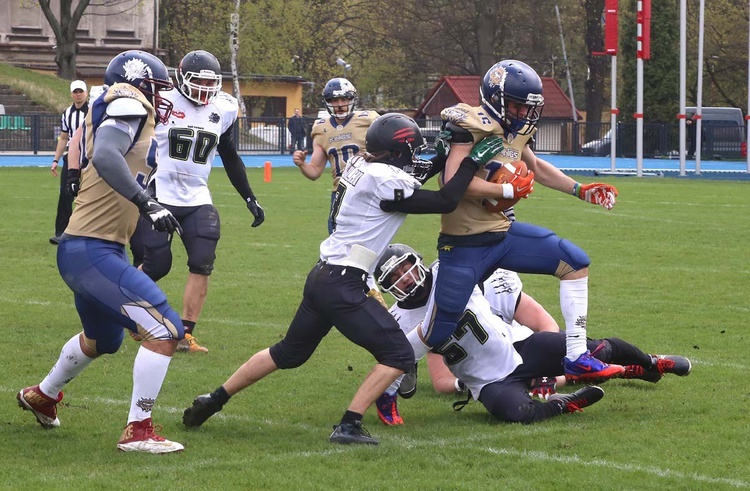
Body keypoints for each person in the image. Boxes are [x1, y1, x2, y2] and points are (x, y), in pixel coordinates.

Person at [182, 113, 505, 445]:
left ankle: (215, 398)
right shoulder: (384, 178)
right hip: (343, 283)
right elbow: (444, 200)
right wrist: (468, 162)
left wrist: (442, 156)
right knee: (398, 356)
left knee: (288, 352)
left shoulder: (364, 165)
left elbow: (412, 175)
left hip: (322, 275)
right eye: (411, 149)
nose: (415, 155)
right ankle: (349, 425)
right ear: (397, 152)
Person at [380, 59, 623, 383]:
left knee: (574, 261)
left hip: (502, 234)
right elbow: (453, 181)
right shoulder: (469, 125)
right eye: (517, 106)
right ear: (494, 98)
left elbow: (534, 166)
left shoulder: (519, 130)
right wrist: (505, 187)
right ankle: (388, 383)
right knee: (439, 329)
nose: (523, 114)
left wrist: (579, 190)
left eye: (528, 108)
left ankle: (577, 355)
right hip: (464, 243)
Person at [17, 50, 185, 454]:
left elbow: (96, 150)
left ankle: (43, 394)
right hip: (92, 251)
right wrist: (147, 203)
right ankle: (139, 430)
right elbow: (108, 154)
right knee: (165, 330)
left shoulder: (108, 105)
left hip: (91, 249)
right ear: (141, 82)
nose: (162, 98)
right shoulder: (128, 101)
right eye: (159, 88)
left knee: (104, 339)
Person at [373, 243, 692, 425]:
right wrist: (391, 394)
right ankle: (564, 404)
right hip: (486, 381)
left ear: (418, 262)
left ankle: (651, 363)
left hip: (521, 347)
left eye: (406, 268)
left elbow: (494, 258)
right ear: (389, 288)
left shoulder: (451, 271)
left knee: (598, 350)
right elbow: (409, 379)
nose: (406, 278)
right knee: (516, 413)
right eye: (395, 277)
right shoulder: (399, 321)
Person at [137, 50, 265, 354]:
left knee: (202, 261)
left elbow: (231, 157)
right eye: (199, 81)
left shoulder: (224, 107)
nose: (205, 88)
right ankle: (120, 306)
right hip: (160, 191)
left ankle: (184, 333)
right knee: (157, 264)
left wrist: (250, 197)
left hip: (197, 195)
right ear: (182, 79)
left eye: (211, 82)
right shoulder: (162, 99)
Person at [292, 78, 379, 234]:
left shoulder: (369, 119)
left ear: (352, 99)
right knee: (337, 246)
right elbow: (314, 172)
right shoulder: (320, 127)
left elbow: (389, 151)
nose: (339, 104)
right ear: (328, 102)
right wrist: (302, 164)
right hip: (341, 194)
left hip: (368, 191)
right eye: (334, 100)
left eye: (344, 98)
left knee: (369, 245)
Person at [50, 80, 89, 245]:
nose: (78, 94)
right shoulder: (67, 113)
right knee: (65, 194)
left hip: (89, 157)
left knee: (88, 194)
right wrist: (55, 159)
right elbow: (64, 138)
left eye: (81, 91)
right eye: (75, 91)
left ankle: (88, 232)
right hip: (71, 157)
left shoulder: (94, 111)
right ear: (72, 93)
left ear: (86, 93)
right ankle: (61, 232)